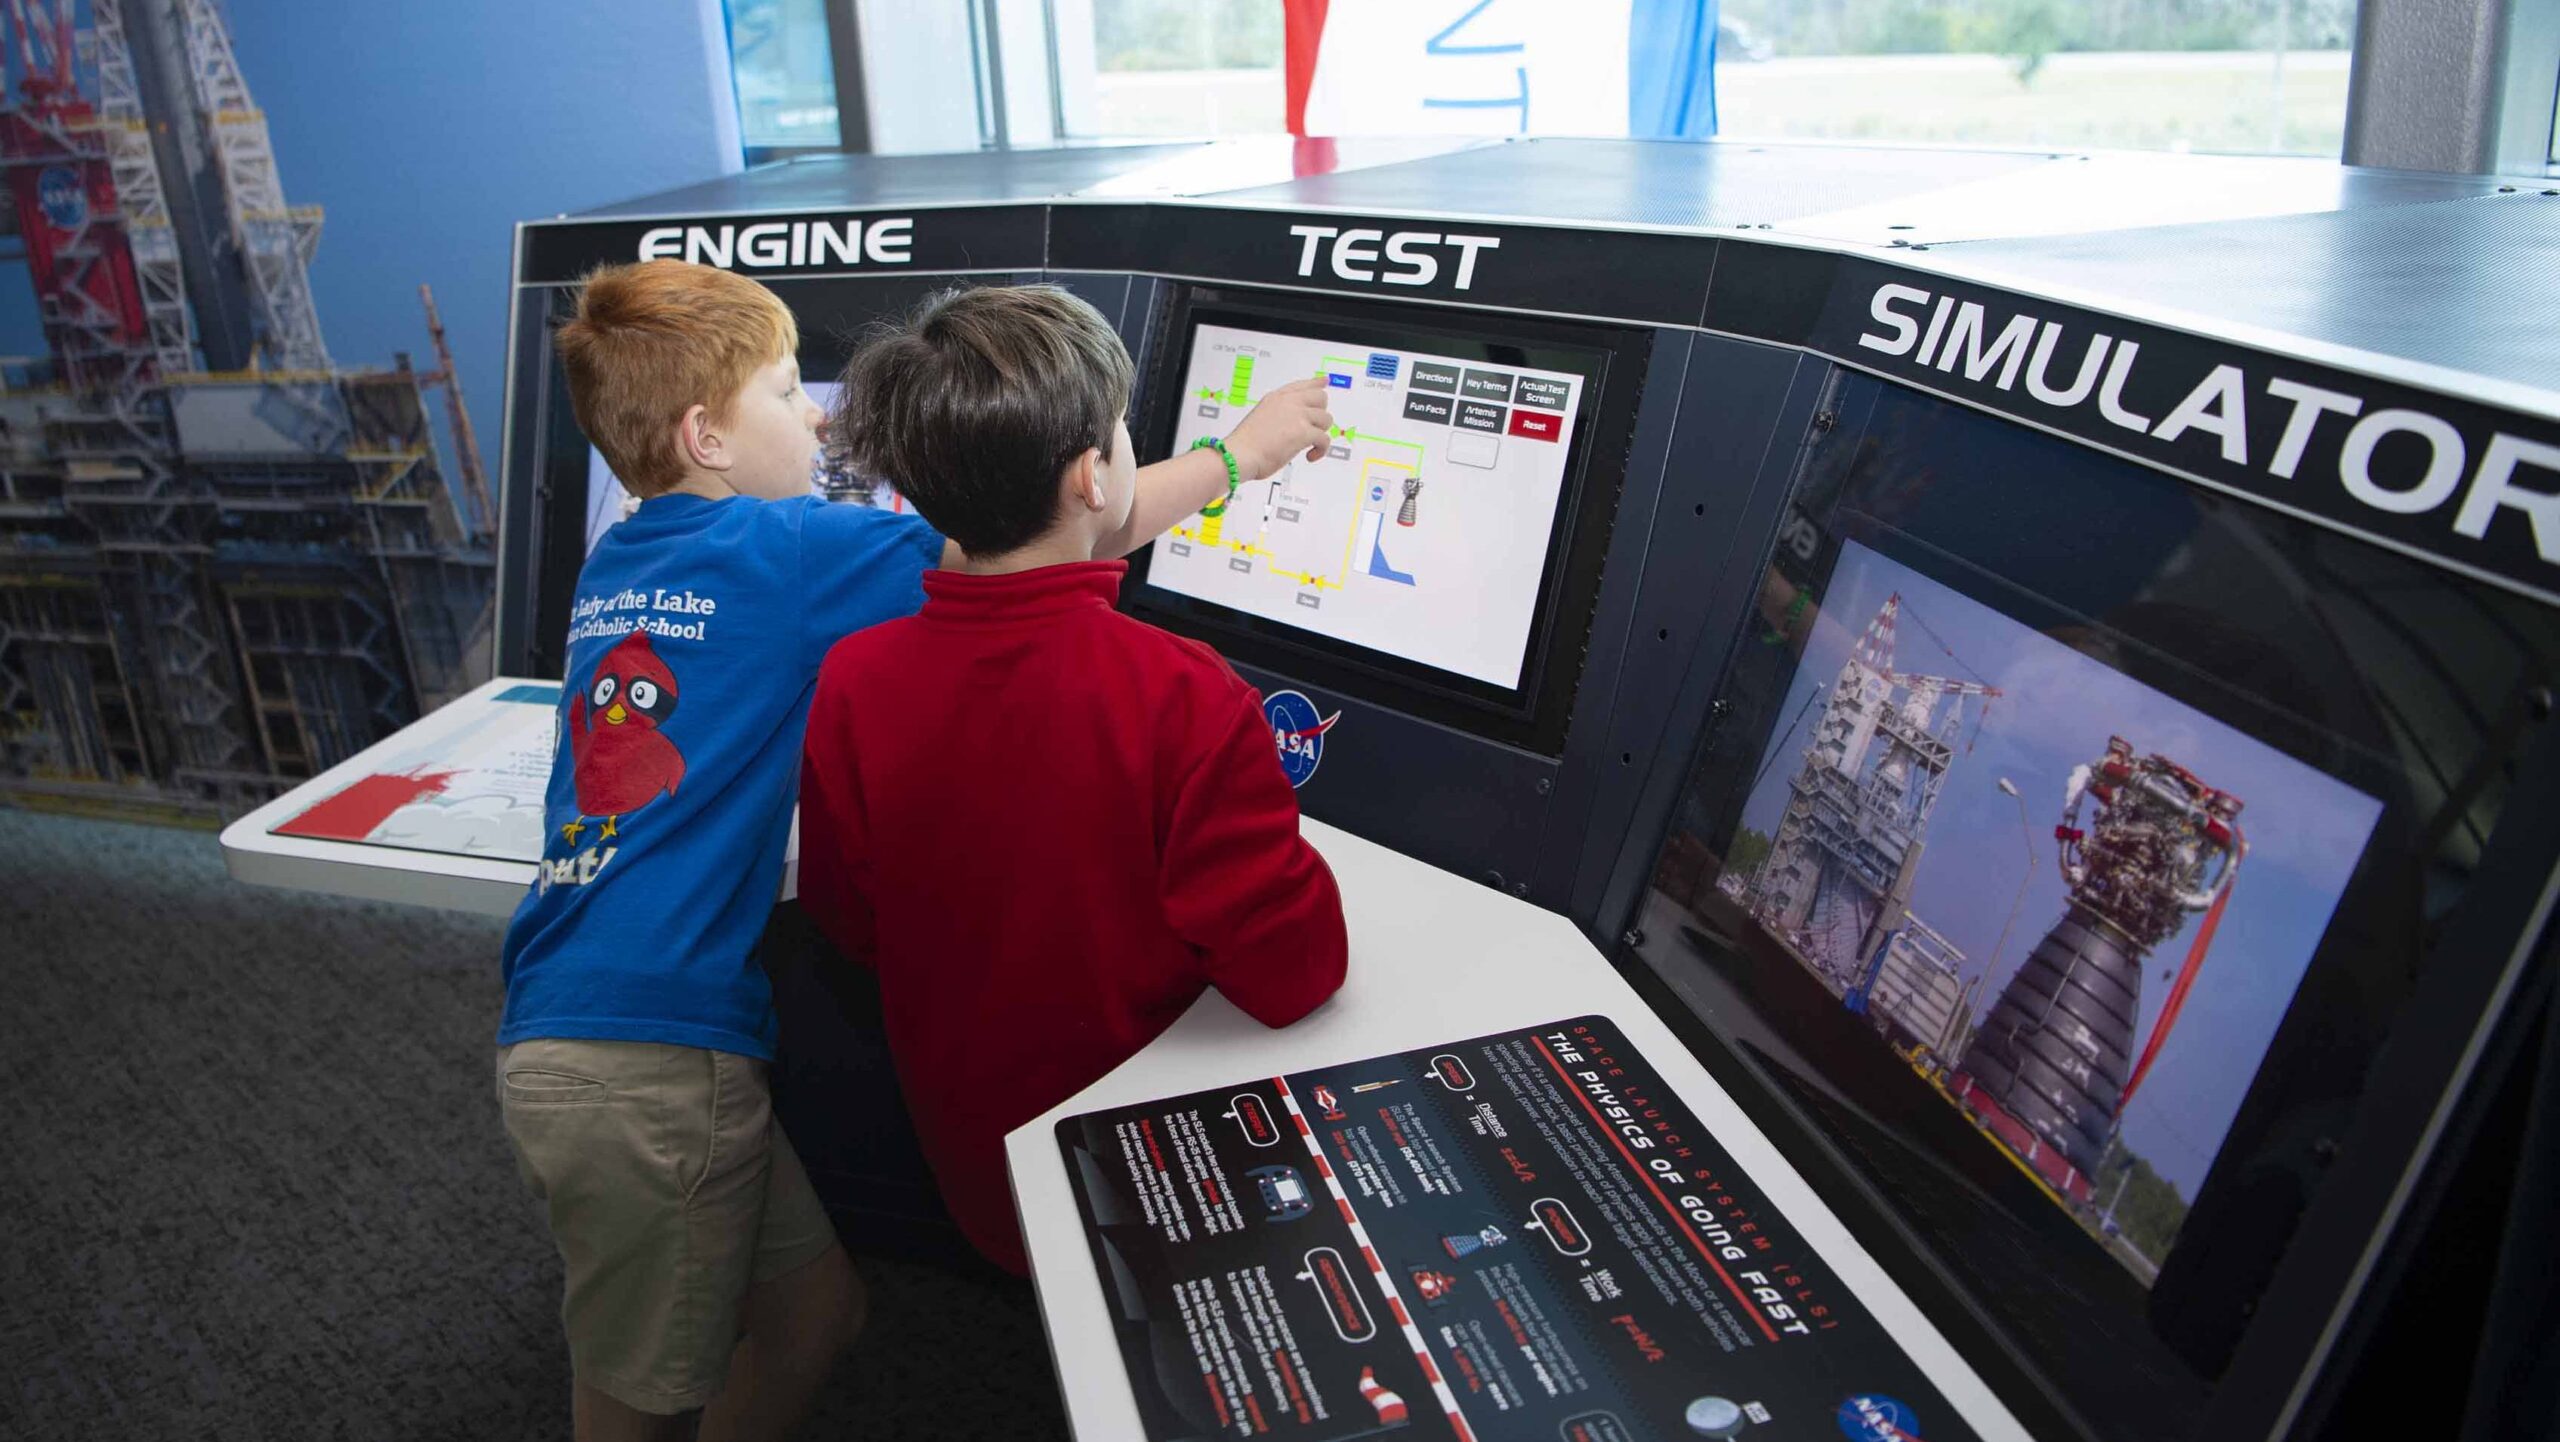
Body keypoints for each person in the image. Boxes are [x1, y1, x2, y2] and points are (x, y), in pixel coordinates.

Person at [496, 261, 1330, 1439]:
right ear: (706, 435)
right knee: (631, 1397)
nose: (820, 416)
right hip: (657, 1055)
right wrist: (1239, 455)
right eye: (789, 396)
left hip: (581, 1005)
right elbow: (1048, 537)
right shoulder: (785, 550)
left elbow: (849, 903)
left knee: (815, 1311)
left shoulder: (622, 558)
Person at [797, 284, 1351, 1275]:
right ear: (1095, 473)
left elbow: (851, 920)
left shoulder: (853, 677)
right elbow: (1293, 972)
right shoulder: (1185, 695)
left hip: (976, 1172)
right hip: (1145, 1182)